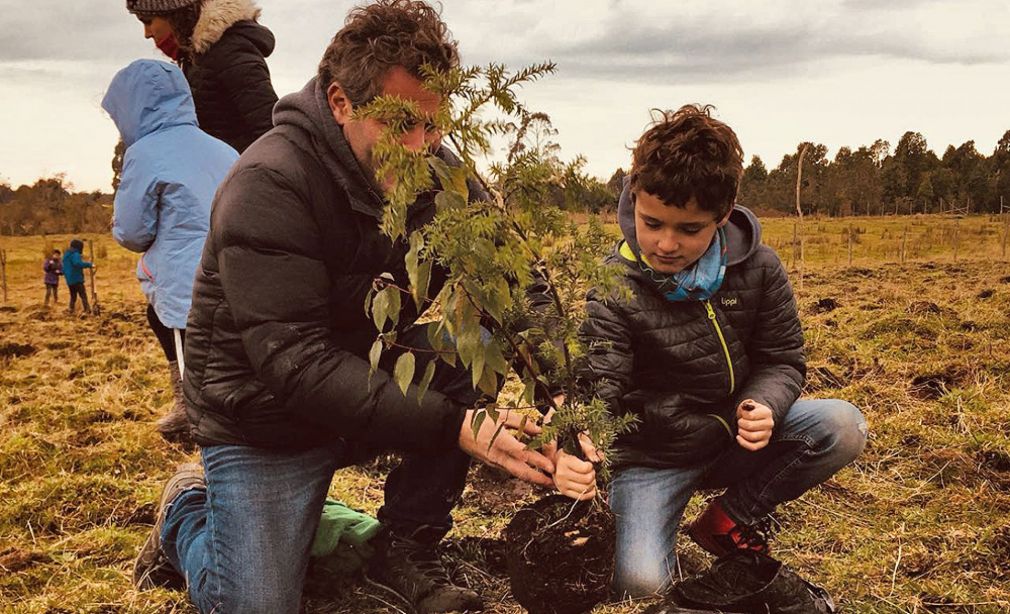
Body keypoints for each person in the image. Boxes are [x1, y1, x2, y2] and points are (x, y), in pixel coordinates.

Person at [132, 3, 588, 613]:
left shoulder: (437, 170)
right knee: (259, 603)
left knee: (464, 356)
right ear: (341, 101)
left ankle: (405, 545)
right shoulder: (269, 183)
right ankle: (187, 513)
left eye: (436, 126)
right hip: (265, 419)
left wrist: (561, 394)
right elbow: (294, 362)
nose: (424, 147)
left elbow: (516, 279)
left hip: (360, 378)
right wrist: (458, 426)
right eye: (402, 125)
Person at [578, 105, 868, 598]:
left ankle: (728, 518)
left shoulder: (758, 267)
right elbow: (600, 382)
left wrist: (764, 406)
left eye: (689, 229)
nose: (665, 243)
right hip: (654, 456)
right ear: (633, 199)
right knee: (644, 585)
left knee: (843, 426)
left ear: (722, 215)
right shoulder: (614, 283)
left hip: (734, 440)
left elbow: (782, 357)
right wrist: (581, 436)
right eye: (652, 223)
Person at [102, 59, 238, 444]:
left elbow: (132, 233)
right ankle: (215, 412)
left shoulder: (144, 154)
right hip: (238, 269)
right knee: (225, 348)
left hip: (186, 277)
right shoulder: (221, 148)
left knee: (183, 342)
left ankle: (195, 418)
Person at [125, 0, 278, 153]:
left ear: (174, 15)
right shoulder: (196, 56)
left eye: (148, 21)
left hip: (239, 172)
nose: (147, 33)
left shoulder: (229, 50)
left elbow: (270, 130)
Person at [63, 239, 93, 315]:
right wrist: (89, 264)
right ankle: (87, 310)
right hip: (76, 278)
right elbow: (77, 263)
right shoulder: (75, 254)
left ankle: (71, 310)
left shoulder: (66, 255)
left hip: (69, 280)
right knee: (83, 295)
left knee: (73, 296)